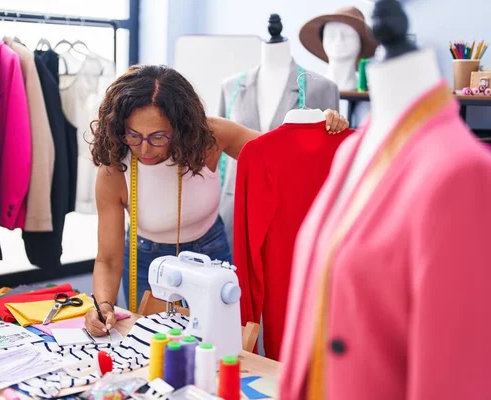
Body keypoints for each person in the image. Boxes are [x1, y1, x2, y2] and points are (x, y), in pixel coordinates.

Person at [84, 65, 349, 336]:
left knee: (221, 344)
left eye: (158, 137)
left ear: (181, 128)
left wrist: (318, 126)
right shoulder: (114, 171)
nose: (144, 148)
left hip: (211, 252)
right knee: (155, 346)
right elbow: (108, 259)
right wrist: (101, 304)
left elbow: (279, 154)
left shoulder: (210, 138)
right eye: (133, 135)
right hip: (147, 260)